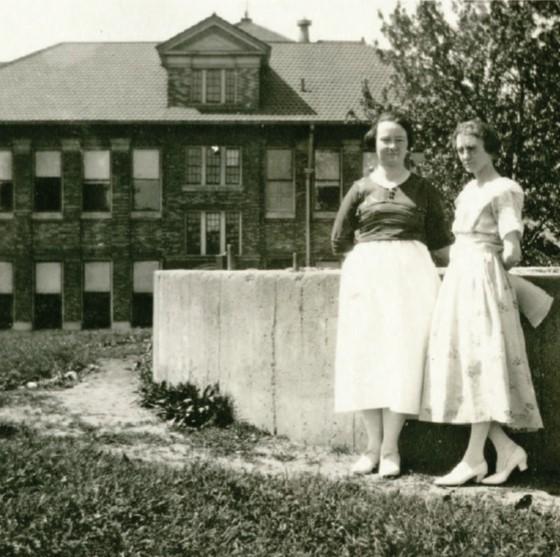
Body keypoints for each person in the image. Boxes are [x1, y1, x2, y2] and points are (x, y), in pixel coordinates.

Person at [420, 119, 552, 486]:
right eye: (460, 149)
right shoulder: (466, 191)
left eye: (472, 149)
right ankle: (506, 450)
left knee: (480, 363)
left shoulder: (503, 190)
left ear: (490, 149)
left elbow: (512, 250)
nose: (464, 156)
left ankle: (474, 459)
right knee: (470, 367)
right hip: (462, 280)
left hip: (482, 283)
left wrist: (486, 268)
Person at [331, 111, 452, 477]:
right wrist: (372, 264)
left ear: (409, 145)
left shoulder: (425, 190)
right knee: (366, 357)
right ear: (374, 144)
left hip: (412, 282)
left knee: (403, 358)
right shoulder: (359, 189)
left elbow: (443, 247)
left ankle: (390, 449)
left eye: (399, 139)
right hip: (367, 279)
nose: (392, 146)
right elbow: (339, 241)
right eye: (385, 139)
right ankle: (370, 447)